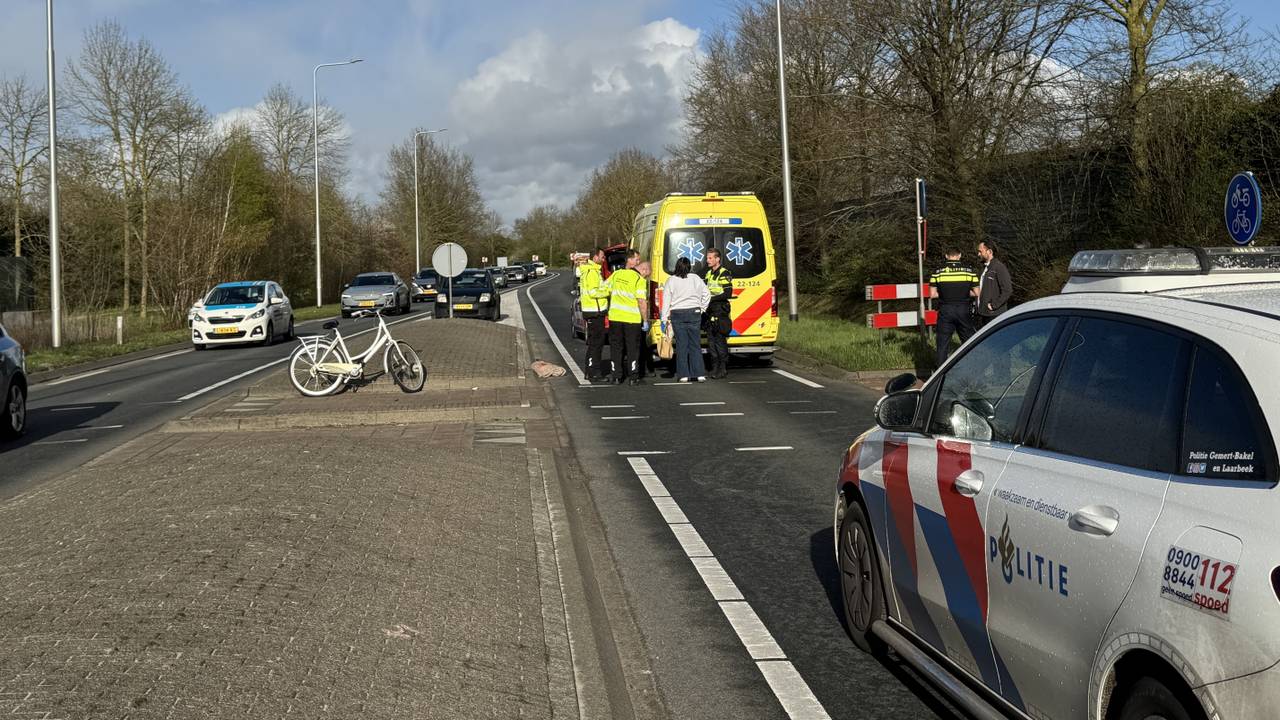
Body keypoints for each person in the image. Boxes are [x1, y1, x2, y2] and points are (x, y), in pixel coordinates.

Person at [661, 257, 711, 382]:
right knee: (695, 344)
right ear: (689, 267)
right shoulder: (695, 278)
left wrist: (664, 318)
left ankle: (684, 375)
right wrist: (702, 308)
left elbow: (666, 300)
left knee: (682, 345)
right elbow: (707, 294)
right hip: (694, 312)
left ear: (677, 266)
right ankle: (699, 373)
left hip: (678, 314)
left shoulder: (671, 280)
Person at [930, 248, 979, 368]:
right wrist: (963, 294)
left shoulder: (937, 272)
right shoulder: (969, 271)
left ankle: (940, 375)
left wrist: (946, 294)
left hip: (945, 310)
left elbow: (932, 294)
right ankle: (972, 369)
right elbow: (977, 293)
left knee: (942, 344)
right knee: (968, 341)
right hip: (963, 309)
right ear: (960, 256)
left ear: (947, 256)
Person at [606, 259, 650, 385]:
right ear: (644, 270)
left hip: (615, 317)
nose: (646, 277)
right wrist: (645, 320)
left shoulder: (617, 274)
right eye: (647, 275)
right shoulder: (639, 280)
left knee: (616, 347)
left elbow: (605, 289)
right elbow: (641, 301)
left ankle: (616, 376)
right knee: (632, 349)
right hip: (632, 320)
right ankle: (633, 377)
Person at [577, 247, 611, 383]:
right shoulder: (592, 272)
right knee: (596, 344)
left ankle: (589, 371)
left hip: (593, 311)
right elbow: (593, 292)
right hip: (594, 312)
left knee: (594, 343)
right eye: (602, 257)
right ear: (595, 257)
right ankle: (594, 372)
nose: (604, 260)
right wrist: (608, 291)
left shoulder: (593, 271)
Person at [701, 247, 734, 379]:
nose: (707, 260)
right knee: (711, 341)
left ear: (717, 259)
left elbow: (728, 293)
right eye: (707, 258)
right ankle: (714, 367)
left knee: (720, 341)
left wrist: (711, 298)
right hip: (710, 311)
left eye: (710, 258)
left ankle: (722, 368)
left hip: (720, 310)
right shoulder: (709, 273)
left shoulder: (724, 273)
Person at [974, 240, 1012, 328]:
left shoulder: (999, 267)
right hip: (983, 313)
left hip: (994, 315)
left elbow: (1007, 290)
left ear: (990, 251)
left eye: (980, 251)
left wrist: (993, 305)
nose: (978, 254)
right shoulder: (984, 268)